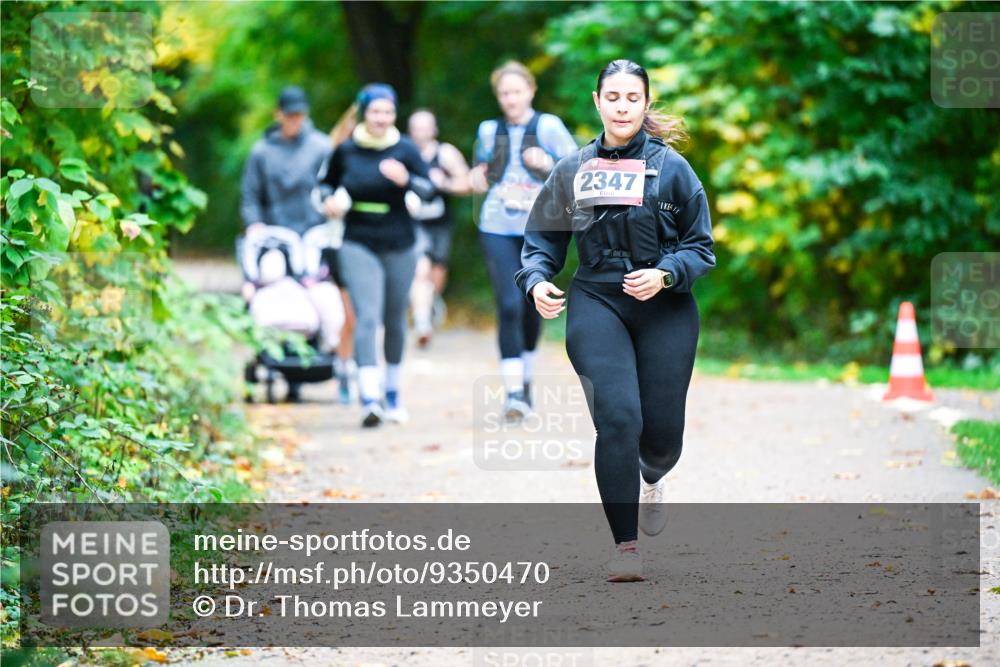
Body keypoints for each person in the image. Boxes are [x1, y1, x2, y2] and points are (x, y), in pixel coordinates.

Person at [513, 59, 715, 582]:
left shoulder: (673, 169)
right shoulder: (572, 169)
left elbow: (701, 247)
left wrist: (667, 274)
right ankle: (625, 547)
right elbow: (540, 243)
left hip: (665, 307)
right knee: (619, 419)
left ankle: (653, 473)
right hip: (597, 302)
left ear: (645, 104)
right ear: (597, 102)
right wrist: (536, 281)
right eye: (613, 97)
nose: (623, 106)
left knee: (661, 436)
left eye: (633, 97)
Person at [318, 83, 438, 428]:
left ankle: (392, 392)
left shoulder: (405, 149)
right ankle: (369, 397)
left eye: (387, 112)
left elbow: (429, 190)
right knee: (366, 316)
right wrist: (328, 199)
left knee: (395, 318)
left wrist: (406, 181)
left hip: (400, 241)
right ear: (363, 113)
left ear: (394, 114)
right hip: (358, 241)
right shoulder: (348, 150)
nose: (382, 119)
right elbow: (326, 183)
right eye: (375, 112)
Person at [469, 61, 578, 421]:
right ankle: (513, 393)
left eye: (516, 91)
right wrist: (477, 176)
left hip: (540, 228)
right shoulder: (488, 130)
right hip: (497, 225)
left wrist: (547, 164)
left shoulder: (547, 126)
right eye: (504, 93)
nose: (510, 99)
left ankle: (526, 382)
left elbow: (578, 168)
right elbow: (485, 168)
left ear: (530, 91)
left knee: (533, 307)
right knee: (509, 305)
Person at [240, 85, 349, 402]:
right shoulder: (261, 152)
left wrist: (331, 207)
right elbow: (250, 196)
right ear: (279, 115)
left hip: (314, 237)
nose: (295, 121)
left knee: (320, 295)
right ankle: (279, 358)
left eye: (300, 115)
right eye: (290, 116)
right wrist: (254, 225)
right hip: (276, 238)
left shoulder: (320, 147)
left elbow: (333, 183)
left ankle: (319, 358)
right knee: (278, 297)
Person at [406, 109, 471, 348]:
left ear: (434, 130)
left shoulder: (445, 153)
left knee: (436, 273)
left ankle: (430, 301)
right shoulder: (404, 153)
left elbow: (467, 183)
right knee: (420, 270)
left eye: (425, 127)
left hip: (440, 223)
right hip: (413, 224)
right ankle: (422, 322)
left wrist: (443, 182)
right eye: (416, 127)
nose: (421, 132)